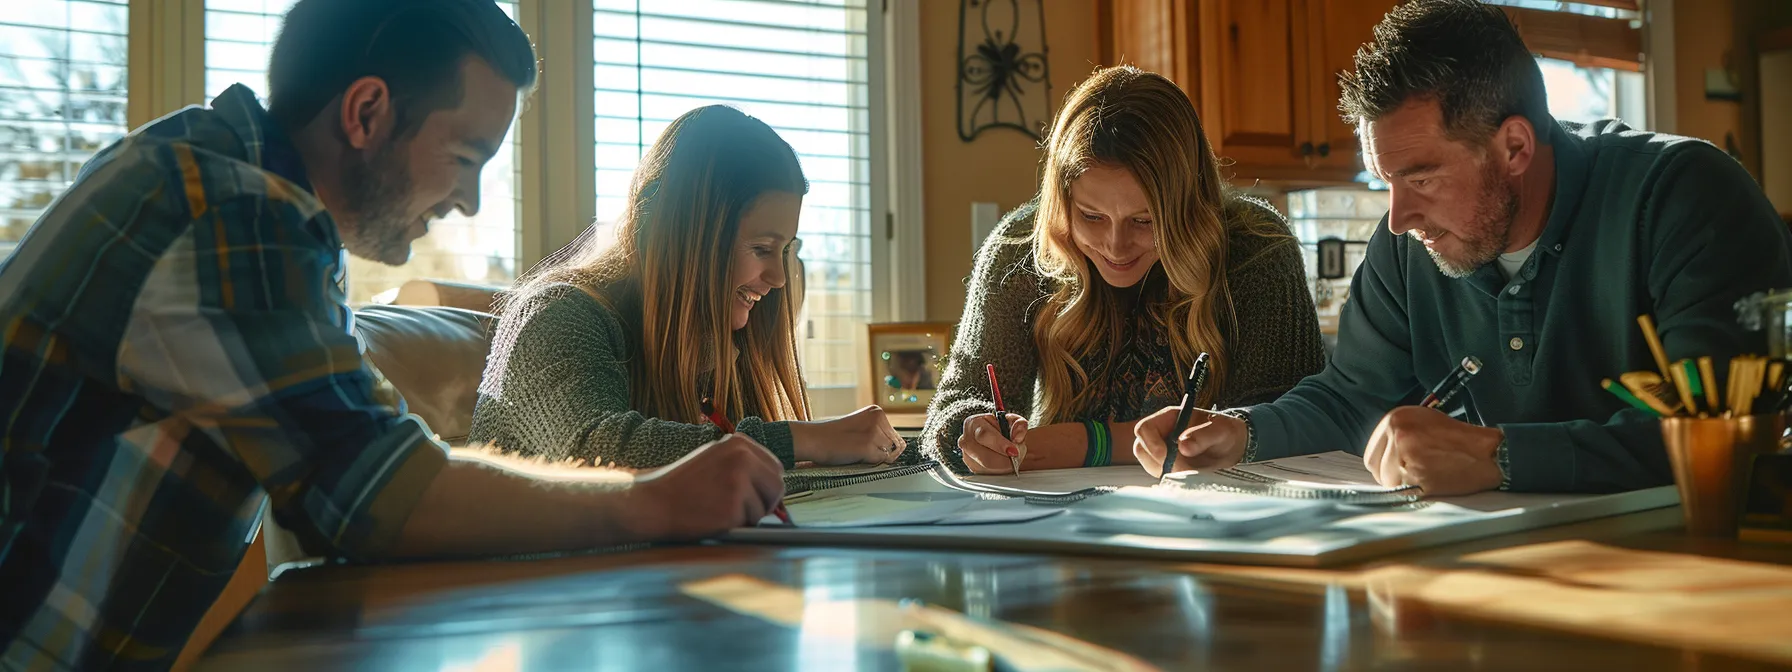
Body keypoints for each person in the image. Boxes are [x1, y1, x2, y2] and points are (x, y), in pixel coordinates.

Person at [0, 2, 784, 668]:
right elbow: (377, 498)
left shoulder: (252, 198)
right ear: (366, 112)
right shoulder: (227, 210)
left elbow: (381, 457)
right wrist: (650, 501)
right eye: (466, 155)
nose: (472, 201)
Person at [1134, 0, 1792, 495]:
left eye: (1420, 178)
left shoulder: (1688, 197)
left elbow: (1721, 432)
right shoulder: (1411, 245)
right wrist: (1241, 434)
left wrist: (1496, 457)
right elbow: (1355, 396)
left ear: (1514, 148)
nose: (1396, 218)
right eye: (1385, 181)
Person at [922, 65, 1327, 475]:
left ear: (1188, 205)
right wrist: (970, 429)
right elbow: (954, 405)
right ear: (1061, 203)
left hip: (1218, 514)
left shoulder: (1254, 248)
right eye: (1091, 216)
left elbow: (1292, 424)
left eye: (1145, 221)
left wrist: (1082, 443)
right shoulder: (1018, 253)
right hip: (1061, 513)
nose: (1116, 247)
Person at [468, 105, 907, 470]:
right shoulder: (555, 315)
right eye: (761, 248)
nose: (777, 278)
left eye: (785, 250)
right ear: (681, 233)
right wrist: (798, 439)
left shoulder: (716, 345)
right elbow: (596, 451)